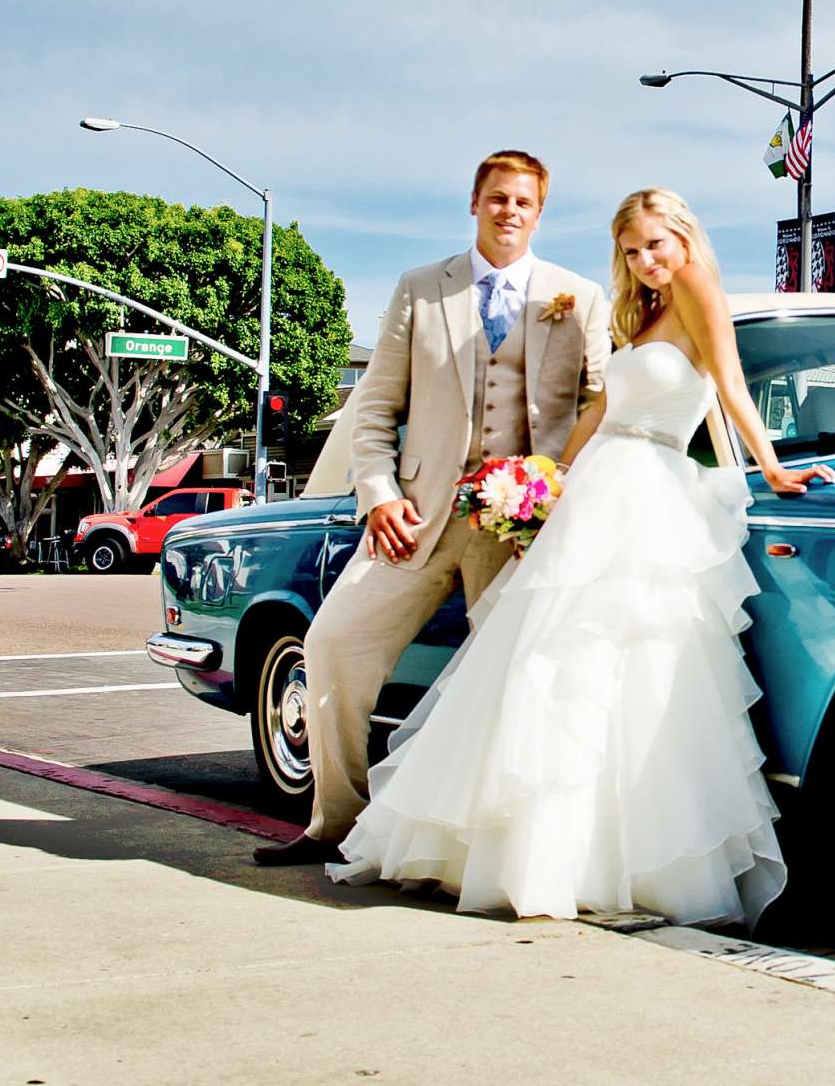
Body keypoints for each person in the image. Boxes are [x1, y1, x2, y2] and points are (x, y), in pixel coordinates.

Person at [327, 187, 835, 926]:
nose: (646, 261)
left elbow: (728, 385)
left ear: (684, 236)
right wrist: (548, 477)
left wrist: (774, 467)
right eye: (632, 251)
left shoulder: (696, 287)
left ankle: (594, 857)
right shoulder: (646, 312)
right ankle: (538, 854)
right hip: (598, 490)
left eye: (656, 243)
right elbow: (601, 411)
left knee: (625, 666)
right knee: (552, 664)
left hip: (651, 492)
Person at [254, 151, 611, 867]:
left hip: (520, 529)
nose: (509, 211)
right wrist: (379, 495)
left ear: (540, 213)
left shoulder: (579, 296)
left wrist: (558, 481)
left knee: (515, 677)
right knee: (332, 644)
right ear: (474, 204)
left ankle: (488, 848)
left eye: (523, 202)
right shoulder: (421, 289)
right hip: (415, 518)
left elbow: (600, 402)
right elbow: (377, 407)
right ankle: (336, 822)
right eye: (497, 198)